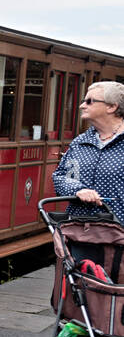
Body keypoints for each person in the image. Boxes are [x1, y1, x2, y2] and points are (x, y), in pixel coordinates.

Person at [53, 80, 124, 228]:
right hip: (81, 232)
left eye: (89, 101)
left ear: (112, 107)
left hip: (119, 231)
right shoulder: (81, 142)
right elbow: (60, 177)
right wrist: (78, 190)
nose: (82, 106)